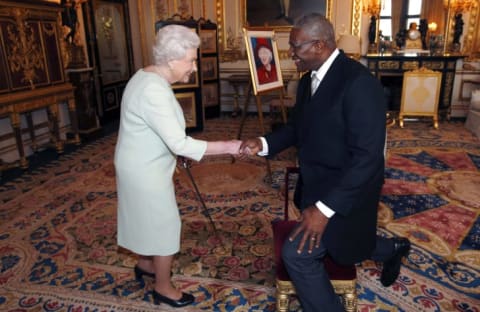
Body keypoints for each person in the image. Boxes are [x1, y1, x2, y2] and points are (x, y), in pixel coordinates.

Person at [240, 13, 410, 311]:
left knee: (297, 254)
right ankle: (394, 248)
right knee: (346, 243)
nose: (290, 54)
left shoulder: (359, 83)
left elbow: (368, 159)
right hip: (317, 187)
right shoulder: (307, 82)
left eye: (295, 47)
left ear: (319, 45)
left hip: (348, 194)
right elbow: (296, 128)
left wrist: (323, 209)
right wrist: (264, 143)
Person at [114, 24, 241, 308]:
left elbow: (158, 130)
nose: (195, 68)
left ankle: (146, 265)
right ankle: (162, 286)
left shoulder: (146, 76)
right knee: (165, 223)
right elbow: (180, 143)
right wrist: (229, 146)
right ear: (171, 61)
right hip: (143, 169)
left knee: (147, 219)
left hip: (140, 161)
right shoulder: (154, 90)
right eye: (191, 60)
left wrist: (174, 148)